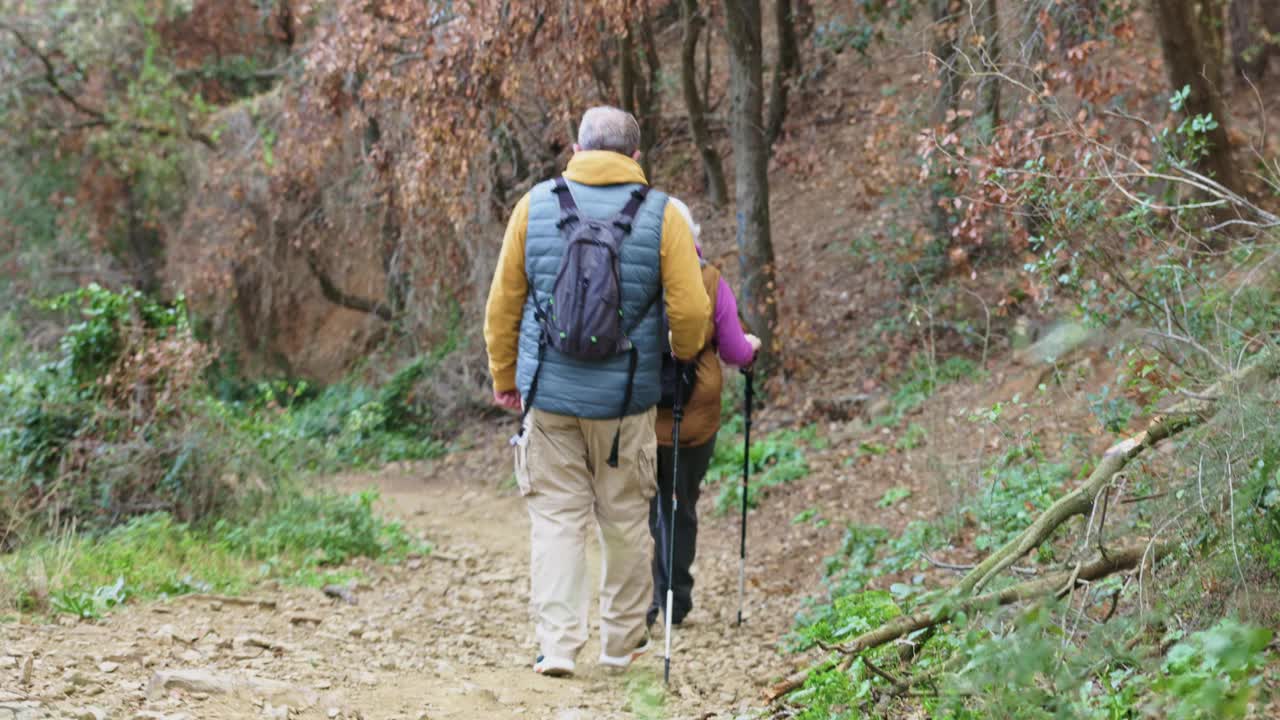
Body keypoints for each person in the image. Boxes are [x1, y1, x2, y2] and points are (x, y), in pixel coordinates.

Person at [483, 106, 711, 678]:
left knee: (557, 520)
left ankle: (557, 647)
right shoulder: (662, 215)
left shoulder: (533, 206)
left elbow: (502, 305)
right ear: (635, 157)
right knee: (626, 519)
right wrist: (681, 355)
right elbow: (689, 311)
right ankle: (619, 643)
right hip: (626, 404)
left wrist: (505, 378)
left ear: (577, 148)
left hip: (551, 398)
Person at [647, 197, 759, 629]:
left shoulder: (635, 277)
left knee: (643, 509)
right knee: (680, 505)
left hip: (637, 413)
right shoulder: (709, 280)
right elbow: (734, 351)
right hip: (691, 416)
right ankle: (675, 598)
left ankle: (641, 603)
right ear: (691, 235)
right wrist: (752, 349)